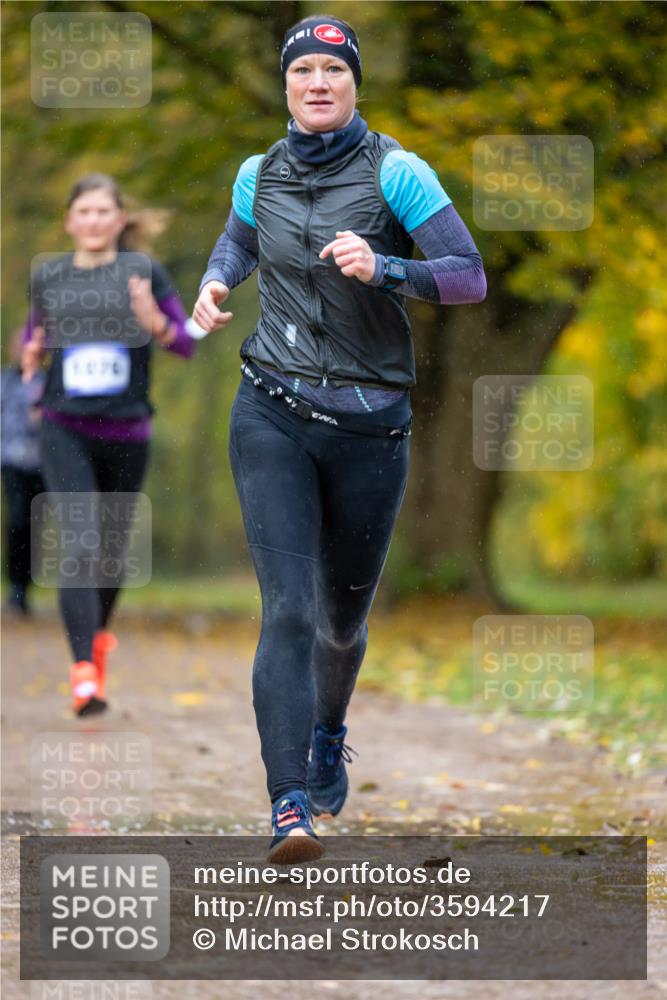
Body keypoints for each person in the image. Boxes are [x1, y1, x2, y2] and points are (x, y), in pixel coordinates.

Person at [193, 14, 486, 864]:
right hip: (271, 410)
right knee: (286, 609)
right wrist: (215, 282)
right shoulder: (258, 173)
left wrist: (387, 267)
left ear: (354, 84)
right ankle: (289, 807)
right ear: (285, 85)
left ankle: (328, 730)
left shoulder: (399, 172)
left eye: (333, 70)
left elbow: (466, 277)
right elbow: (238, 241)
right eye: (302, 71)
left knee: (341, 623)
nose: (317, 83)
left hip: (369, 424)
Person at [22, 173, 197, 716]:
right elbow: (36, 333)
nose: (95, 221)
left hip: (127, 432)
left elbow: (186, 343)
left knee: (111, 554)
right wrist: (31, 352)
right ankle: (83, 674)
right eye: (85, 212)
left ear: (119, 220)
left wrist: (154, 323)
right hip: (64, 427)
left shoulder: (144, 272)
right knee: (79, 543)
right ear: (70, 221)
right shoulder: (50, 275)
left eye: (104, 212)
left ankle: (96, 639)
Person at [1, 329, 46, 616]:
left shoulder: (47, 382)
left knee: (37, 527)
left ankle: (29, 584)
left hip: (44, 465)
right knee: (18, 522)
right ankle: (17, 587)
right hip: (13, 463)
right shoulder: (5, 381)